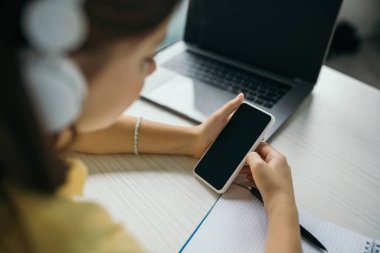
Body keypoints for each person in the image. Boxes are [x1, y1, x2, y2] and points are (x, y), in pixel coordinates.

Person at [0, 0, 301, 252]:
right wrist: (280, 202)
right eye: (145, 57)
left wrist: (191, 140)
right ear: (59, 77)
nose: (155, 67)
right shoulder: (70, 239)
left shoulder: (17, 118)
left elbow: (71, 131)